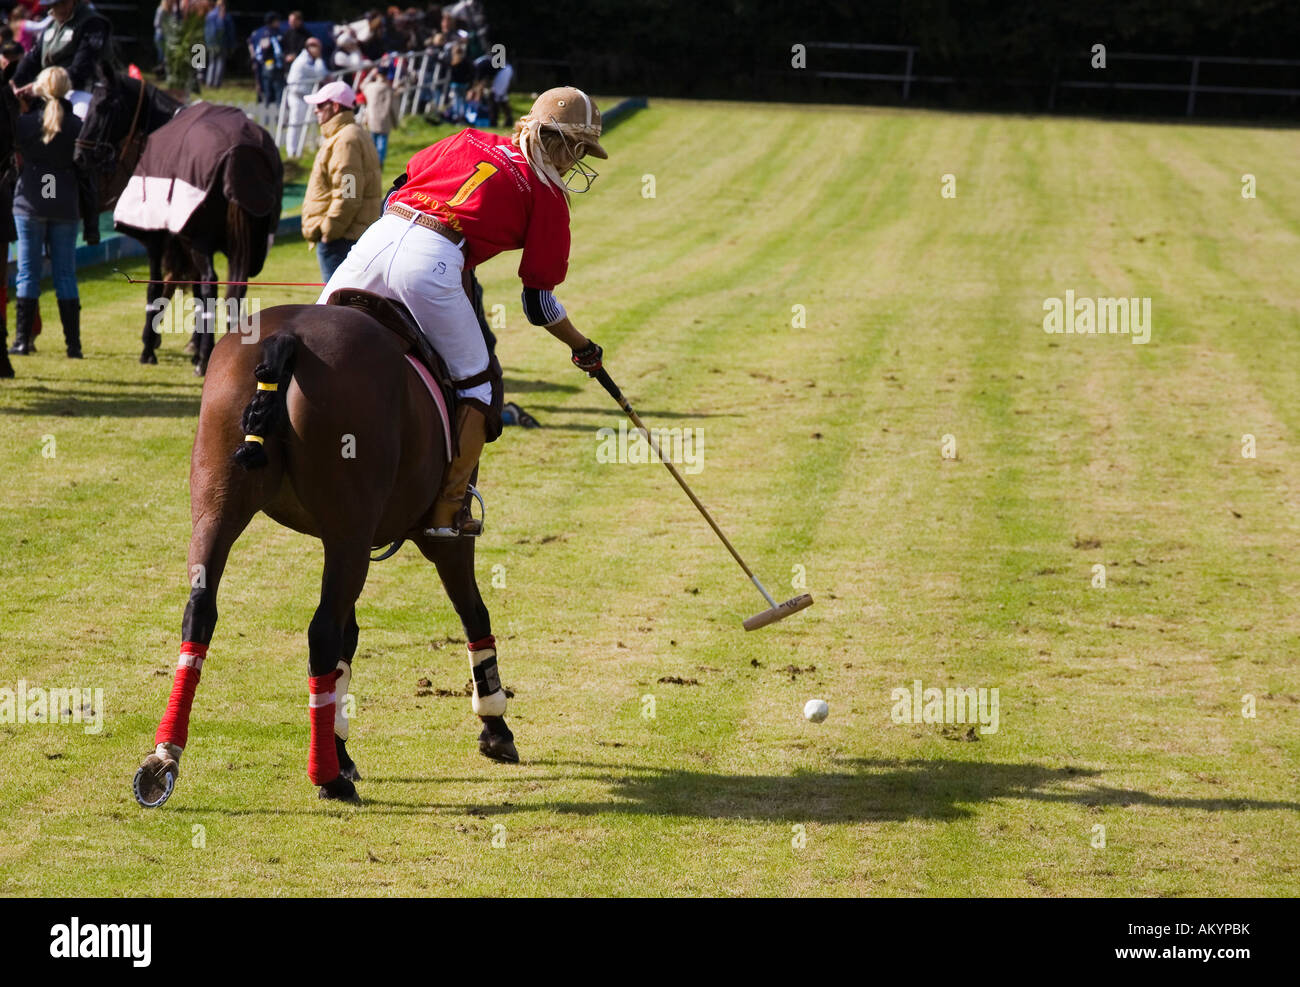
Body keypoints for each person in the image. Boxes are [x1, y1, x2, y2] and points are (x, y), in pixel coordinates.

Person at [318, 86, 608, 538]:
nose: (578, 161)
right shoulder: (548, 195)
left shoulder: (469, 138)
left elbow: (399, 189)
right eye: (580, 149)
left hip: (376, 240)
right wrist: (583, 348)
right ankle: (447, 512)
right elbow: (538, 303)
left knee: (314, 349)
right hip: (432, 262)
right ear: (561, 142)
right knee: (482, 386)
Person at [9, 65, 97, 359]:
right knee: (65, 275)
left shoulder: (25, 123)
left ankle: (22, 341)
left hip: (30, 202)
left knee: (27, 274)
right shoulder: (77, 125)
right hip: (64, 203)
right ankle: (74, 345)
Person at [300, 80, 381, 280]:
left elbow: (349, 193)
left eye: (320, 105)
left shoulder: (346, 139)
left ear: (335, 106)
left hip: (341, 239)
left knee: (335, 308)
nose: (315, 111)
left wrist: (329, 231)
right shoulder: (351, 134)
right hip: (348, 235)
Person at [10, 0, 112, 109]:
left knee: (80, 121)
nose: (60, 8)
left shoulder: (92, 23)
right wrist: (13, 82)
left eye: (64, 2)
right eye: (55, 5)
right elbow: (33, 58)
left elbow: (82, 68)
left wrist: (42, 86)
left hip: (82, 90)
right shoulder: (52, 24)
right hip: (47, 90)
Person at [283, 34, 326, 155]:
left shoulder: (308, 60)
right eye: (316, 47)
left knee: (305, 124)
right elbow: (321, 74)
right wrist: (319, 59)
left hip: (304, 96)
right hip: (297, 96)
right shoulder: (303, 62)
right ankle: (292, 152)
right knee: (295, 124)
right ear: (309, 48)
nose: (319, 50)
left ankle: (302, 149)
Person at [359, 64, 397, 166]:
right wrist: (395, 122)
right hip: (385, 119)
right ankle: (379, 162)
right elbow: (392, 107)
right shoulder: (388, 89)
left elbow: (362, 85)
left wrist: (371, 74)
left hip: (371, 118)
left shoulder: (370, 87)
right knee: (382, 143)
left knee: (372, 141)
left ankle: (371, 161)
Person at [247, 11, 284, 106]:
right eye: (277, 21)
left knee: (266, 88)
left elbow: (250, 43)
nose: (279, 23)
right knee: (277, 88)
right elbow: (276, 51)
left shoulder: (257, 32)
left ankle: (266, 107)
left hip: (262, 65)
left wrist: (254, 60)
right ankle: (275, 109)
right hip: (272, 64)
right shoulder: (274, 33)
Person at [202, 0, 236, 89]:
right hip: (222, 43)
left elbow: (206, 31)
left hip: (211, 43)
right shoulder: (226, 16)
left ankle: (209, 82)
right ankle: (216, 84)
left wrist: (207, 42)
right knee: (220, 63)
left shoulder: (210, 15)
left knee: (212, 63)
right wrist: (232, 44)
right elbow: (230, 32)